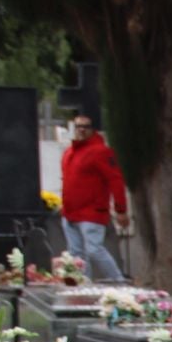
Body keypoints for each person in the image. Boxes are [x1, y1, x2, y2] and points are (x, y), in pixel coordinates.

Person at [60, 116, 128, 281]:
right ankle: (82, 285)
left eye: (86, 126)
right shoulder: (70, 152)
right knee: (76, 254)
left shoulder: (101, 152)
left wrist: (120, 209)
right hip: (70, 212)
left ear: (93, 129)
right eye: (78, 126)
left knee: (94, 250)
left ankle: (118, 281)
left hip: (92, 211)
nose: (82, 130)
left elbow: (115, 180)